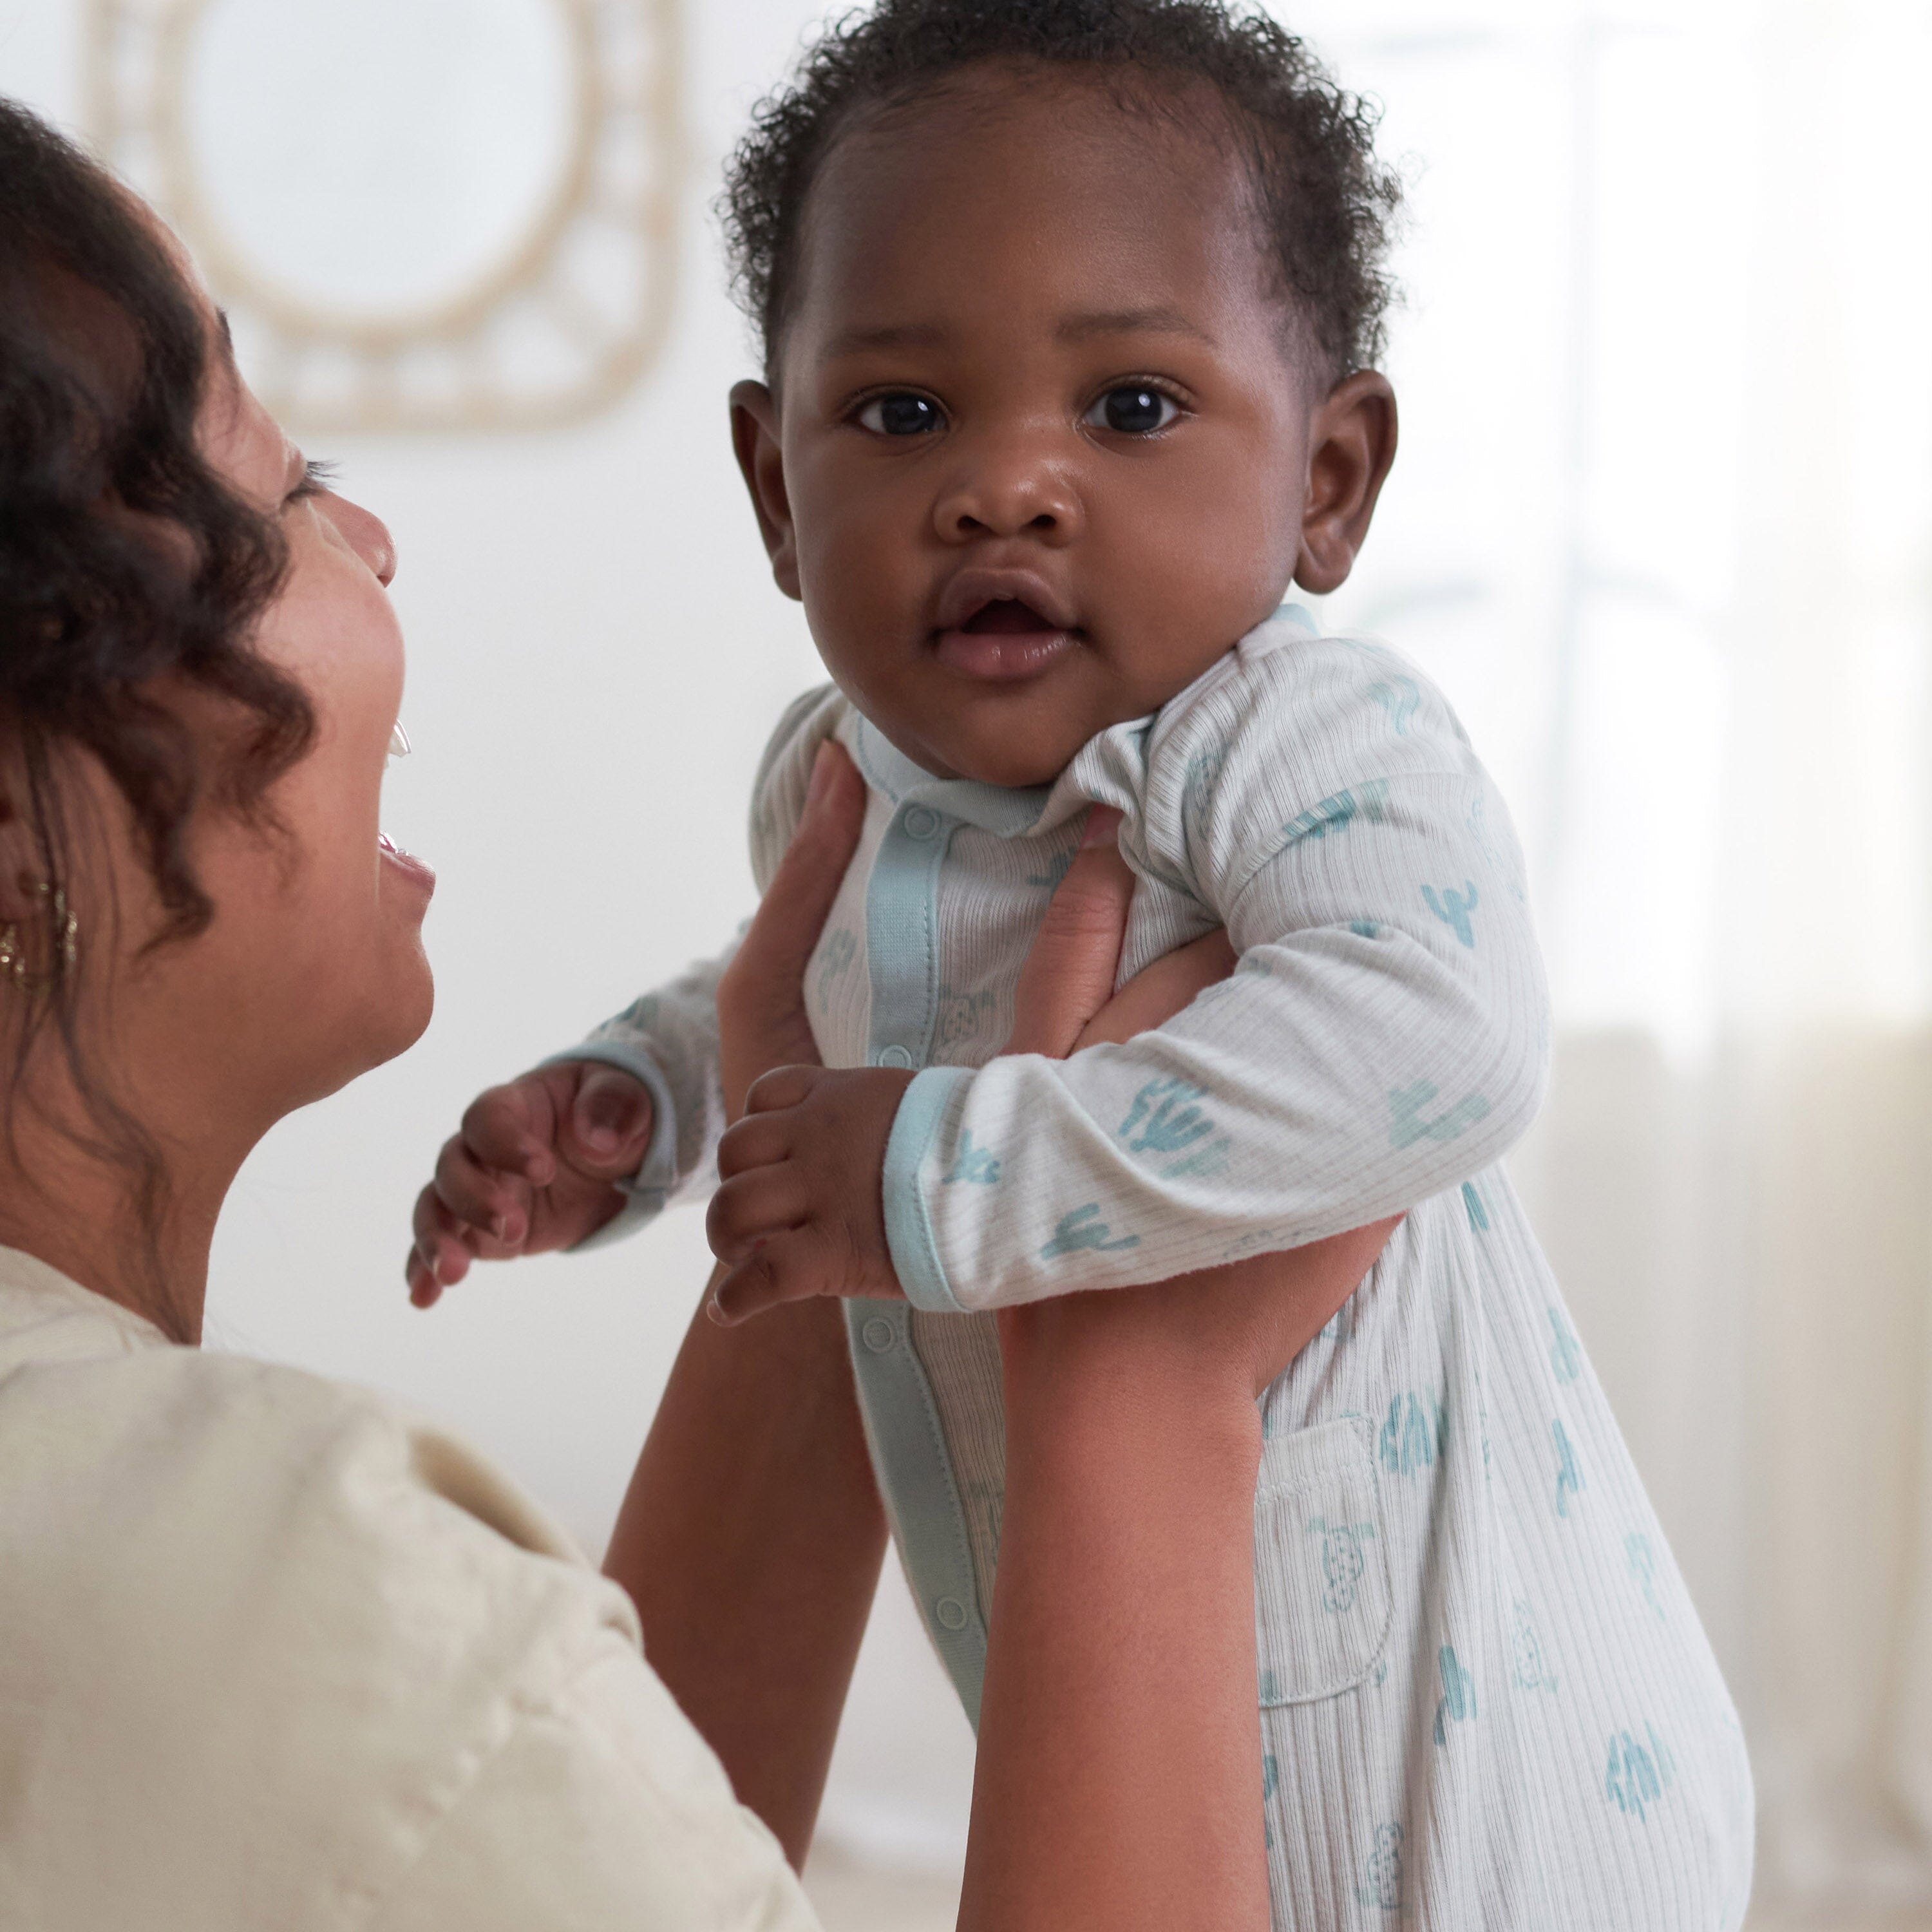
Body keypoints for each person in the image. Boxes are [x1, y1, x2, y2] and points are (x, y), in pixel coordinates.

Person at [415, 3, 1754, 1926]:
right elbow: (860, 1010)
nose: (1006, 487)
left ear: (1330, 481)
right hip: (1153, 1741)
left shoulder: (1295, 743)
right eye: (901, 415)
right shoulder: (839, 778)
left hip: (1501, 1786)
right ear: (776, 492)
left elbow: (1439, 1031)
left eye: (1129, 408)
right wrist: (655, 1098)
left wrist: (961, 1172)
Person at [0, 91, 1396, 1932]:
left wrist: (828, 1177)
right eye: (281, 485)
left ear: (1332, 478)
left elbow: (607, 1843)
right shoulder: (300, 1617)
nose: (381, 540)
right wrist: (1139, 1384)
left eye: (1134, 408)